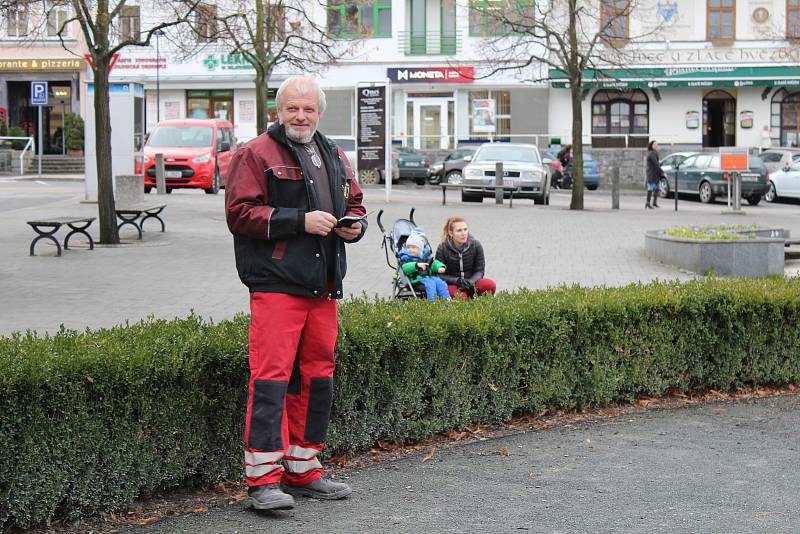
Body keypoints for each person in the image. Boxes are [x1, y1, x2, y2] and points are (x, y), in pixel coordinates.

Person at [225, 75, 367, 511]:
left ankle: (303, 470)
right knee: (271, 379)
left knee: (317, 377)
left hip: (322, 287)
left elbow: (355, 202)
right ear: (278, 110)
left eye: (308, 109)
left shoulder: (334, 153)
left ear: (319, 112)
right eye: (292, 108)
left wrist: (355, 225)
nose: (300, 116)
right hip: (277, 285)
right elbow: (239, 214)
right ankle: (263, 480)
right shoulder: (255, 153)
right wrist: (299, 221)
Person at [435, 216, 496, 298]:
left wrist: (470, 282)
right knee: (459, 297)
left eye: (465, 229)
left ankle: (481, 306)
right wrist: (457, 280)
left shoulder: (476, 245)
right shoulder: (442, 248)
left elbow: (480, 271)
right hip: (454, 284)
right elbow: (439, 275)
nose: (463, 233)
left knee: (490, 285)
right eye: (459, 230)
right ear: (450, 233)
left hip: (472, 281)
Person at [399, 233, 450, 301]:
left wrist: (440, 267)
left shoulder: (424, 257)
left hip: (427, 277)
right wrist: (416, 265)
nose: (410, 249)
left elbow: (433, 263)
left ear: (420, 249)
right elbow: (405, 268)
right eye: (408, 247)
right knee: (431, 284)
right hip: (416, 280)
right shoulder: (406, 258)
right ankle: (433, 303)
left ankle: (447, 301)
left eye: (413, 247)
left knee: (440, 283)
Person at [646, 140, 664, 209]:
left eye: (657, 145)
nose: (657, 146)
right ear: (652, 146)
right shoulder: (651, 153)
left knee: (657, 188)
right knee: (650, 188)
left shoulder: (654, 153)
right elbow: (656, 164)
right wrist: (661, 171)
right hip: (652, 173)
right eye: (656, 145)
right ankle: (648, 203)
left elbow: (657, 163)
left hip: (655, 174)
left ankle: (654, 202)